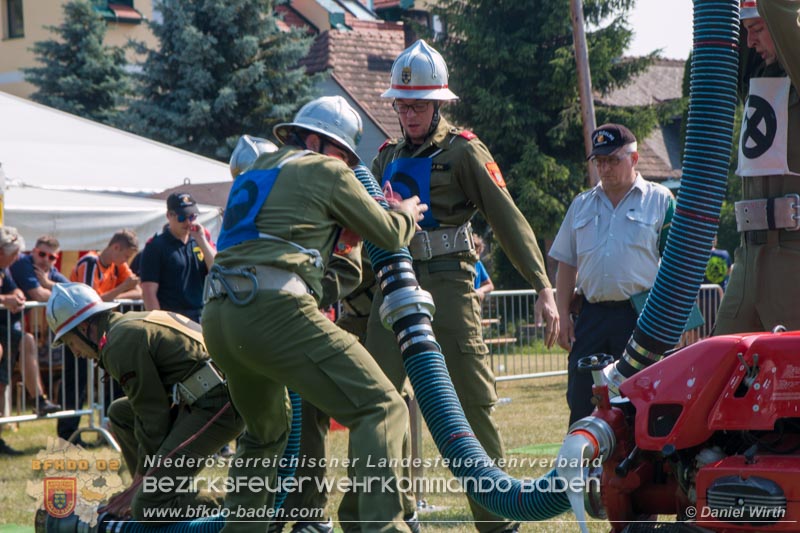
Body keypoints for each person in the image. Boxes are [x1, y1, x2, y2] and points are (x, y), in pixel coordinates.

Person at [201, 95, 426, 533]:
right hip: (272, 311)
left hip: (220, 314)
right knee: (381, 406)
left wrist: (341, 243)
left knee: (264, 435)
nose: (347, 164)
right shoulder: (326, 169)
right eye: (345, 154)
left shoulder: (257, 171)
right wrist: (405, 213)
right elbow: (388, 232)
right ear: (322, 145)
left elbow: (304, 262)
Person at [366, 39, 558, 533]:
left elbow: (507, 219)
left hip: (450, 285)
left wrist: (542, 285)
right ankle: (388, 517)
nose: (408, 114)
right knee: (376, 400)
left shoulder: (465, 151)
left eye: (419, 105)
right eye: (402, 104)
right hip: (392, 284)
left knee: (470, 402)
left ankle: (497, 523)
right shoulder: (383, 158)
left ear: (439, 104)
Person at [45, 283, 244, 522]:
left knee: (148, 506)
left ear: (85, 327)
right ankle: (154, 492)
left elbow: (152, 416)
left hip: (220, 403)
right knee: (119, 412)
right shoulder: (123, 327)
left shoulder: (119, 343)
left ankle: (256, 505)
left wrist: (141, 482)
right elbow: (147, 410)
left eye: (69, 342)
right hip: (205, 397)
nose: (74, 352)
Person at [549, 123, 675, 426]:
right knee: (581, 398)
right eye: (599, 161)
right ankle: (583, 469)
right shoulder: (581, 204)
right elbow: (567, 263)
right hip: (591, 317)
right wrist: (563, 314)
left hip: (640, 317)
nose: (604, 168)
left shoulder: (660, 200)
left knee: (639, 400)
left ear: (633, 159)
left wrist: (672, 321)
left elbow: (674, 267)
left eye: (612, 160)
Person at [714, 0, 800, 334]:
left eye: (758, 30)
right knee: (721, 374)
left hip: (793, 260)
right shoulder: (760, 75)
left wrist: (775, 16)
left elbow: (780, 12)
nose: (750, 42)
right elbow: (718, 27)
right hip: (748, 259)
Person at [56, 229, 141, 444]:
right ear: (115, 247)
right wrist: (121, 289)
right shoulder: (89, 263)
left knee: (112, 377)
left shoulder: (116, 265)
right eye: (125, 256)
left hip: (98, 334)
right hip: (78, 331)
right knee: (77, 382)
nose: (126, 261)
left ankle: (111, 427)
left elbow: (137, 291)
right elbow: (89, 302)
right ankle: (67, 435)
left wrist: (114, 294)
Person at [0, 227, 60, 455]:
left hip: (5, 330)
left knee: (26, 342)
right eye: (14, 253)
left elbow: (14, 288)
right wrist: (5, 298)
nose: (18, 258)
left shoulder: (5, 269)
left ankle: (40, 400)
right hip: (3, 331)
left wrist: (16, 294)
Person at [140, 193, 215, 323]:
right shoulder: (155, 246)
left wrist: (202, 240)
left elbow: (217, 268)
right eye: (182, 217)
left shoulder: (199, 240)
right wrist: (160, 324)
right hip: (171, 318)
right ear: (169, 215)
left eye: (192, 217)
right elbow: (148, 292)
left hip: (199, 316)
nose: (188, 222)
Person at [472, 235, 494, 302]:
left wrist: (480, 290)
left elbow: (490, 285)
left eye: (478, 252)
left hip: (475, 303)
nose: (476, 255)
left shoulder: (478, 264)